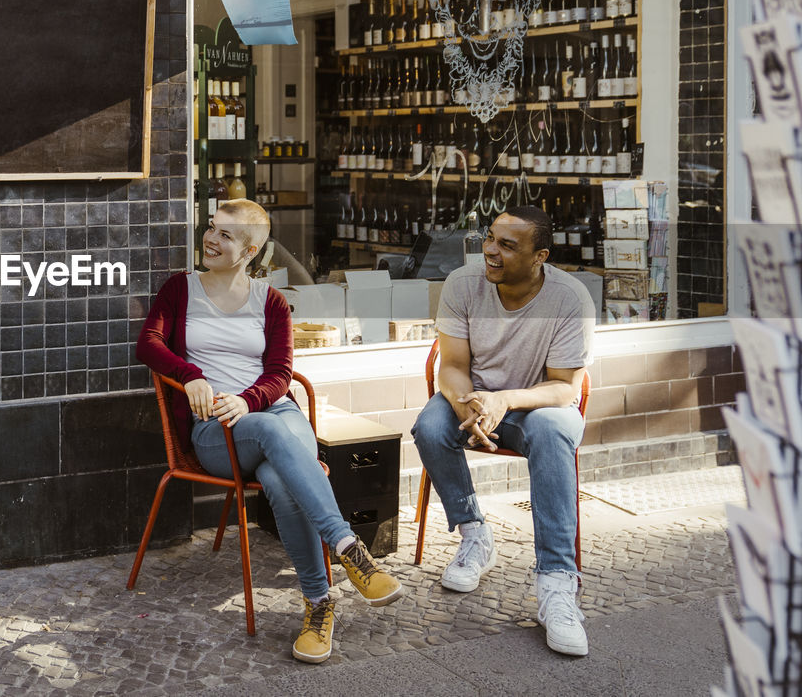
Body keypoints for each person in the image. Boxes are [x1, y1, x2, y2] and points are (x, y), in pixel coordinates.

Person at [136, 199, 404, 664]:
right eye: (212, 228)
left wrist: (248, 399)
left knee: (280, 479)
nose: (211, 239)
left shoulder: (272, 300)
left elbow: (281, 374)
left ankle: (319, 605)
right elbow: (149, 343)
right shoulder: (180, 289)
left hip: (272, 413)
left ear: (252, 250)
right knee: (270, 437)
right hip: (216, 432)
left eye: (226, 235)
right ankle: (347, 547)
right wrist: (193, 375)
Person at [411, 205, 595, 656]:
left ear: (540, 256)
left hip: (536, 406)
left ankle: (556, 584)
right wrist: (467, 403)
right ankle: (476, 535)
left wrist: (504, 400)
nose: (490, 251)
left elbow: (564, 387)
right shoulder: (463, 282)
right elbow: (452, 367)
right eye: (491, 238)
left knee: (553, 430)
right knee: (430, 425)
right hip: (475, 400)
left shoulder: (570, 300)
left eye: (507, 246)